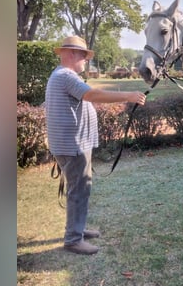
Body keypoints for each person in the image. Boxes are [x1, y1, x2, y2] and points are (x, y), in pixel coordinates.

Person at [45, 36, 146, 255]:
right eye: (83, 56)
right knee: (78, 190)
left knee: (81, 187)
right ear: (71, 53)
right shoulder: (65, 75)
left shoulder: (61, 76)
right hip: (73, 145)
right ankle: (73, 239)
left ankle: (77, 229)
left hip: (72, 144)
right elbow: (92, 95)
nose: (85, 61)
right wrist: (128, 95)